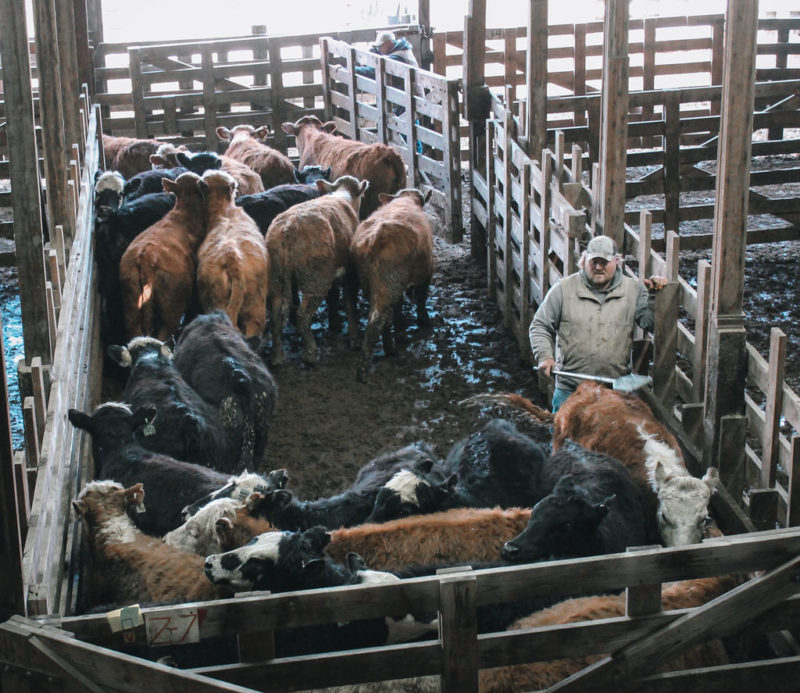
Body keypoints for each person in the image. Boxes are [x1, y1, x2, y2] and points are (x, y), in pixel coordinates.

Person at [529, 235, 668, 412]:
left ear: (617, 261)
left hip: (614, 391)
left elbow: (649, 323)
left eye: (604, 262)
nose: (598, 267)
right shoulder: (563, 290)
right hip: (571, 390)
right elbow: (540, 325)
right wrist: (545, 356)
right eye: (594, 261)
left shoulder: (633, 290)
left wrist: (655, 297)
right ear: (584, 259)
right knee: (565, 438)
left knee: (612, 439)